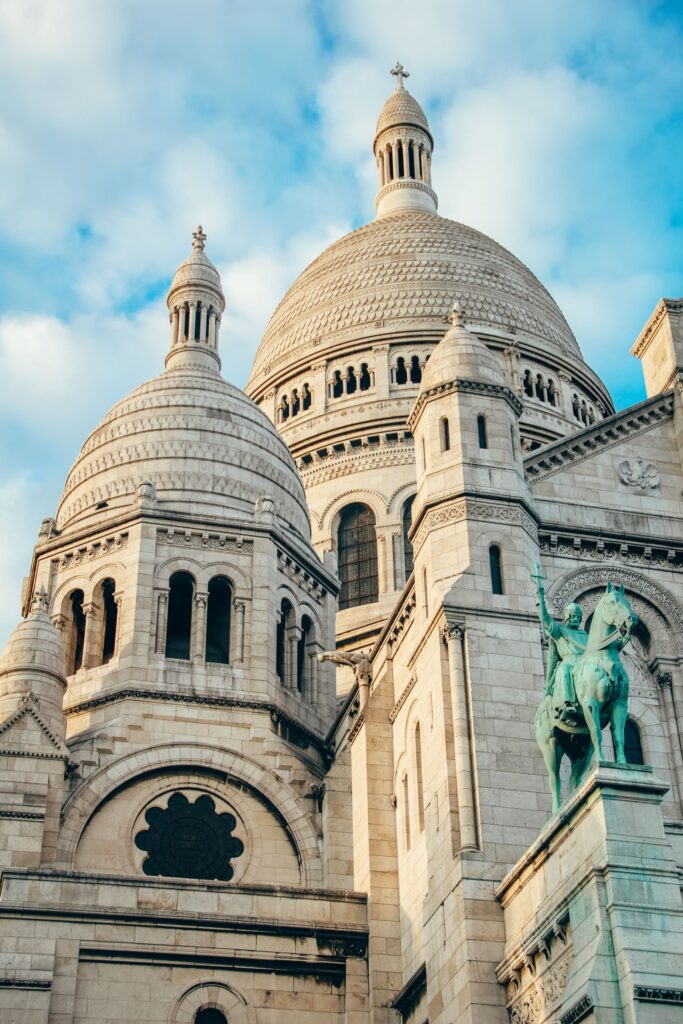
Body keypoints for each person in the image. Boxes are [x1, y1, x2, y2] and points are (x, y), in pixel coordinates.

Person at [533, 566, 587, 724]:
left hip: (584, 662)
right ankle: (567, 704)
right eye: (573, 616)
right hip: (569, 661)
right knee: (564, 671)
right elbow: (546, 619)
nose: (576, 618)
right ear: (567, 617)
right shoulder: (560, 631)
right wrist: (540, 597)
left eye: (578, 616)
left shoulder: (586, 635)